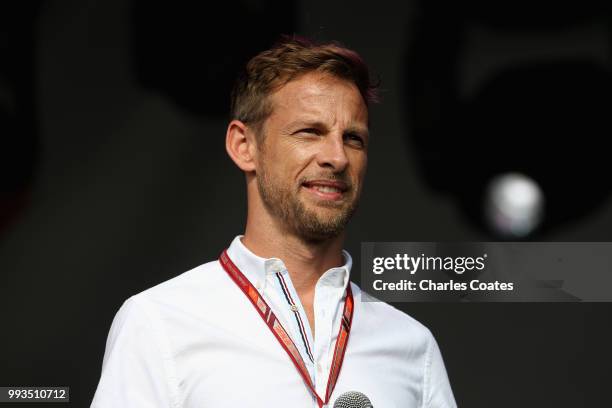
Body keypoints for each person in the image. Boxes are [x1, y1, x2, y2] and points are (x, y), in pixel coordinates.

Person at [91, 36, 457, 408]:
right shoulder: (159, 323)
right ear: (243, 146)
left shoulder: (412, 346)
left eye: (353, 139)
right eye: (309, 132)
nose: (337, 157)